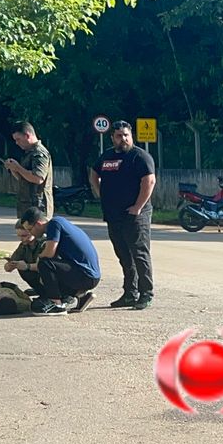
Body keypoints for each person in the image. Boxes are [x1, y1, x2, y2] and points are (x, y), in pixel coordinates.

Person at [89, 121, 157, 310]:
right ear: (112, 138)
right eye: (119, 136)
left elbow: (149, 181)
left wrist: (138, 206)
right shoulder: (107, 156)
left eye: (126, 135)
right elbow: (94, 173)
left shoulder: (139, 156)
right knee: (123, 255)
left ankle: (146, 293)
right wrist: (100, 192)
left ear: (131, 136)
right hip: (113, 214)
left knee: (139, 254)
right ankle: (130, 293)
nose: (123, 139)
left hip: (135, 215)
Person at [20, 208, 101, 314]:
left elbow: (48, 254)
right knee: (49, 268)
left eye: (30, 230)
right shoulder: (60, 223)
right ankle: (82, 296)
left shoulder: (54, 224)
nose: (31, 233)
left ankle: (56, 304)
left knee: (45, 263)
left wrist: (39, 258)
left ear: (38, 224)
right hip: (89, 275)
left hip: (86, 275)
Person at [3, 121, 54, 222]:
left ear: (27, 135)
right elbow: (25, 179)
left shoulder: (39, 153)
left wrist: (18, 168)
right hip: (27, 205)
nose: (17, 143)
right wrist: (13, 169)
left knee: (38, 237)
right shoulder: (29, 153)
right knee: (26, 237)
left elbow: (38, 178)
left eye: (18, 139)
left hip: (38, 208)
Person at [5, 217, 46, 292]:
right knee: (22, 268)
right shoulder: (24, 245)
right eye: (19, 236)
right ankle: (40, 290)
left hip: (54, 276)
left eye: (24, 236)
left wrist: (27, 266)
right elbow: (14, 260)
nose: (21, 239)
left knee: (42, 272)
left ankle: (54, 295)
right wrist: (9, 265)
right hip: (38, 274)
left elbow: (44, 266)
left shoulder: (44, 243)